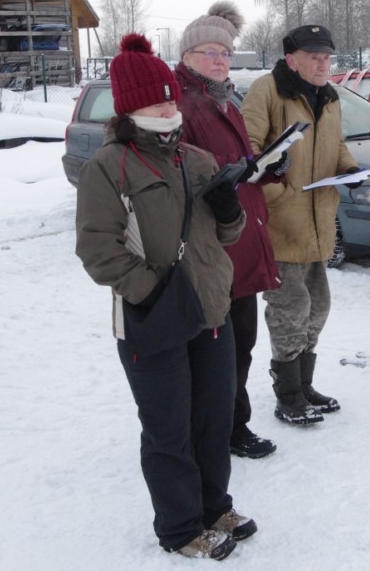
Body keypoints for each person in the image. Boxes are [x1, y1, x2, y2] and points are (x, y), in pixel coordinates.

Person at [75, 34, 253, 561]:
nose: (169, 108)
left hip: (211, 310)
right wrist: (153, 293)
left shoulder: (195, 159)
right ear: (131, 107)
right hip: (152, 319)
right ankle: (180, 527)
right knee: (168, 429)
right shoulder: (109, 166)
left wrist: (230, 210)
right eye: (157, 101)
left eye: (171, 99)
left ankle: (214, 507)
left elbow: (227, 235)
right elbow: (97, 250)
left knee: (213, 420)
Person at [176, 1, 285, 460]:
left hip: (242, 239)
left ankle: (232, 425)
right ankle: (217, 431)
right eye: (210, 52)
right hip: (211, 250)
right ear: (187, 56)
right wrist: (235, 171)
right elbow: (185, 170)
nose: (221, 60)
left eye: (225, 52)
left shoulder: (224, 101)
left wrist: (269, 167)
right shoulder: (180, 103)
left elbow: (239, 164)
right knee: (216, 351)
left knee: (241, 345)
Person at [241, 24, 359, 426]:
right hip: (282, 222)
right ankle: (288, 394)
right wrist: (279, 190)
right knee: (289, 309)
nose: (323, 64)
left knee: (317, 307)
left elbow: (337, 144)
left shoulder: (329, 96)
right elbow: (248, 151)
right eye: (314, 57)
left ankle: (305, 385)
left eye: (327, 58)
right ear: (292, 60)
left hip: (318, 222)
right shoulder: (267, 91)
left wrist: (350, 169)